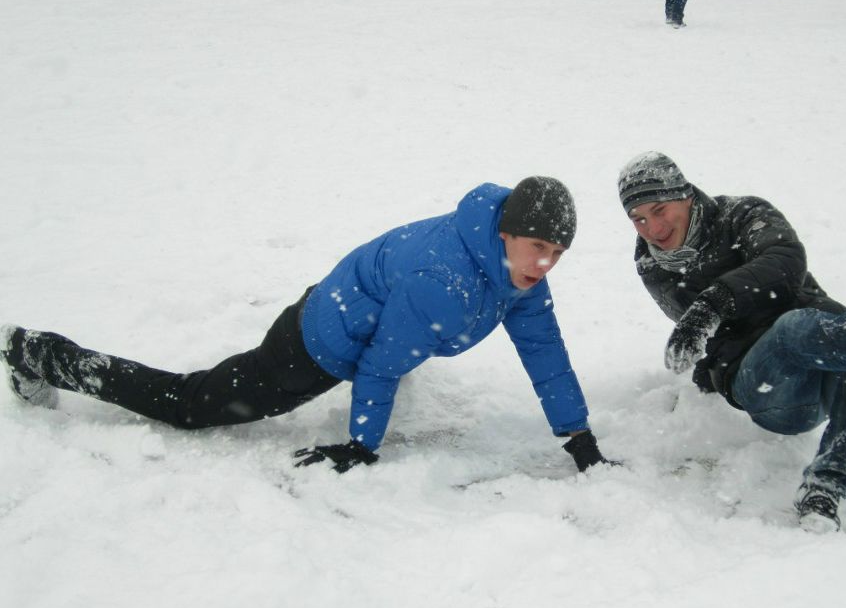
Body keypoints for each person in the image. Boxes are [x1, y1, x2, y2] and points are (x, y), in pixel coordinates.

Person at [1, 177, 613, 474]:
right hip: (314, 346)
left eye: (557, 252)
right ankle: (41, 354)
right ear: (505, 231)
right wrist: (361, 446)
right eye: (538, 245)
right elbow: (380, 362)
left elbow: (546, 353)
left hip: (352, 310)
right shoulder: (445, 281)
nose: (545, 263)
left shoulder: (515, 273)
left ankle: (41, 354)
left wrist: (578, 436)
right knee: (190, 405)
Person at [616, 152, 846, 532]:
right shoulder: (654, 263)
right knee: (814, 331)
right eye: (638, 218)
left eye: (660, 209)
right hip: (765, 387)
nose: (652, 228)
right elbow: (708, 332)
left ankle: (825, 489)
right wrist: (702, 340)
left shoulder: (743, 215)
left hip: (821, 345)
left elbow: (786, 260)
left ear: (686, 195)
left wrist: (713, 302)